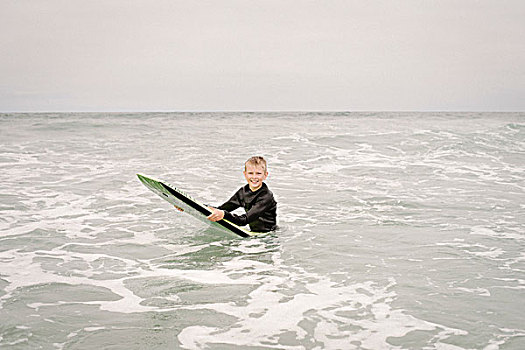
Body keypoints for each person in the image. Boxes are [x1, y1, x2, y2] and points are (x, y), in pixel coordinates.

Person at [207, 156, 277, 232]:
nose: (254, 177)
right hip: (256, 234)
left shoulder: (266, 197)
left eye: (258, 173)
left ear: (265, 175)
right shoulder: (243, 192)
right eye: (250, 173)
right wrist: (208, 208)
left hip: (269, 236)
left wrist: (224, 214)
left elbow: (244, 220)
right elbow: (224, 208)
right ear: (245, 174)